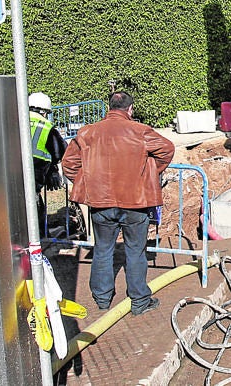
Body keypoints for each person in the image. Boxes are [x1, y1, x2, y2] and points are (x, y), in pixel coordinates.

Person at [61, 91, 174, 313]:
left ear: (109, 108)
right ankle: (140, 301)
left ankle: (102, 299)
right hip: (136, 202)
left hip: (101, 203)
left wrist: (89, 181)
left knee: (102, 248)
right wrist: (148, 173)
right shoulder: (140, 131)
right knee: (135, 250)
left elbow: (69, 163)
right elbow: (167, 150)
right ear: (130, 109)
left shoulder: (88, 133)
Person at [28, 92, 67, 234]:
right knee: (35, 210)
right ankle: (39, 240)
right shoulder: (45, 126)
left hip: (9, 179)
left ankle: (42, 234)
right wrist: (54, 171)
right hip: (33, 178)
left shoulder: (14, 120)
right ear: (44, 112)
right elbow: (60, 151)